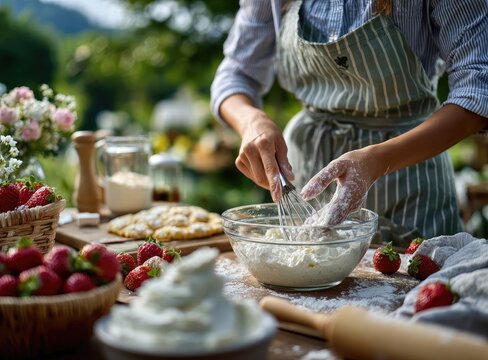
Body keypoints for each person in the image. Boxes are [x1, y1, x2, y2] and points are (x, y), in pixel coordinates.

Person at [210, 0, 488, 242]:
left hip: (411, 175)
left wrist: (380, 159)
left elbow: (478, 90)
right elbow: (235, 75)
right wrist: (252, 122)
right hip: (310, 167)